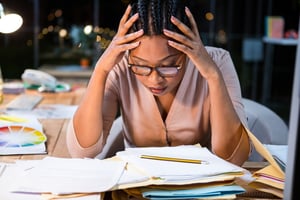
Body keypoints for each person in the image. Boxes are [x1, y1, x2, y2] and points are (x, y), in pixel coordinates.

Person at [66, 0, 251, 166]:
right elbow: (82, 151)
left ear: (187, 51)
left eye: (169, 66)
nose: (155, 79)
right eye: (140, 66)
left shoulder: (217, 63)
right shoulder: (120, 65)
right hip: (136, 189)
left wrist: (213, 76)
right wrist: (101, 71)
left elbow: (235, 158)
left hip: (199, 187)